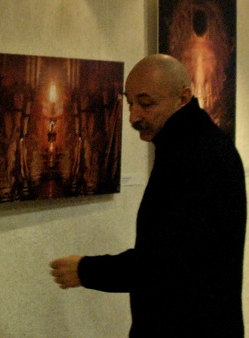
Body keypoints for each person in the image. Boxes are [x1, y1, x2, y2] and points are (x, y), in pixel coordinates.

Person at [49, 54, 246, 337]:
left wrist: (86, 270)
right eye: (130, 103)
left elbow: (166, 263)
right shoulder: (196, 145)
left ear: (183, 97)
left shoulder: (194, 156)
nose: (134, 116)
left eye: (146, 103)